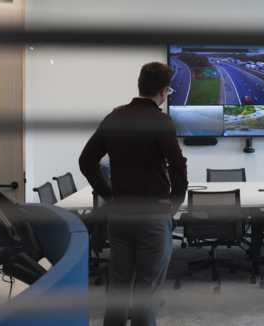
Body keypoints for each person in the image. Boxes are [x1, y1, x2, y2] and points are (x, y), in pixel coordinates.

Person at [79, 62, 188, 326]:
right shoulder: (161, 121)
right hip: (152, 217)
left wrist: (108, 194)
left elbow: (86, 161)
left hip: (120, 215)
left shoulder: (114, 117)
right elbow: (177, 163)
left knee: (117, 288)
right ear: (164, 90)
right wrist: (176, 198)